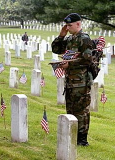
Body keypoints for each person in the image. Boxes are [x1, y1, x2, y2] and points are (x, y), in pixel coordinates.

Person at [51, 13, 94, 146]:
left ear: (78, 24)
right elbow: (56, 49)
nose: (68, 27)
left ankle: (82, 139)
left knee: (81, 110)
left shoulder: (84, 39)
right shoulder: (70, 39)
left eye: (70, 25)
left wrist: (70, 64)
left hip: (81, 82)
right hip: (70, 80)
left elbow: (88, 60)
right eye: (66, 25)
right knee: (71, 109)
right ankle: (73, 134)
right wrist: (61, 35)